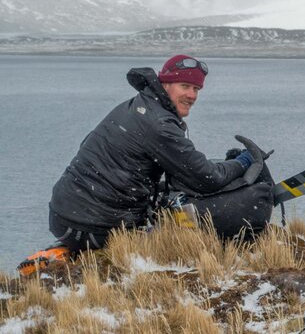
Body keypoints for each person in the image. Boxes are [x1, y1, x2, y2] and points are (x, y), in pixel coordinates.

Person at [47, 55, 255, 253]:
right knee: (191, 226)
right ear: (165, 84)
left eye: (196, 89)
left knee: (173, 196)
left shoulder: (140, 105)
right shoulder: (159, 124)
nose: (192, 95)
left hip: (64, 215)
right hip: (92, 228)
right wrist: (244, 161)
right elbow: (208, 178)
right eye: (184, 86)